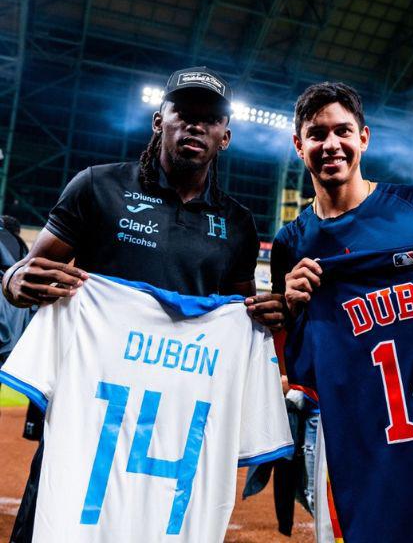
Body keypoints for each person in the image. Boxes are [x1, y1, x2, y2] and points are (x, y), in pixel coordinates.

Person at [0, 66, 279, 543]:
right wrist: (13, 279)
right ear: (159, 121)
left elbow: (240, 310)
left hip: (177, 427)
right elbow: (27, 271)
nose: (195, 126)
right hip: (90, 418)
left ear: (225, 135)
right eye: (183, 113)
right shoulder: (98, 187)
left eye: (209, 119)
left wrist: (265, 317)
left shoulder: (237, 224)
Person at [274, 82, 413, 543]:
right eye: (317, 134)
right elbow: (290, 348)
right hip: (340, 418)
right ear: (299, 145)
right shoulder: (289, 242)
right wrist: (290, 305)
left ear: (364, 138)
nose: (331, 144)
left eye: (343, 131)